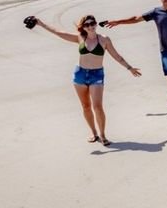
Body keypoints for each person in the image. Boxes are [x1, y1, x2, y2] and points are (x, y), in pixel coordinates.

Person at [27, 14, 141, 145]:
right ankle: (94, 133)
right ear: (84, 27)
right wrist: (40, 23)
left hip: (97, 75)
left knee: (97, 107)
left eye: (92, 23)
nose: (90, 26)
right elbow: (58, 32)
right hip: (80, 74)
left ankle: (103, 135)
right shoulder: (80, 37)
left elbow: (116, 56)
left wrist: (129, 68)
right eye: (87, 25)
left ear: (95, 24)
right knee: (86, 106)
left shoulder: (104, 40)